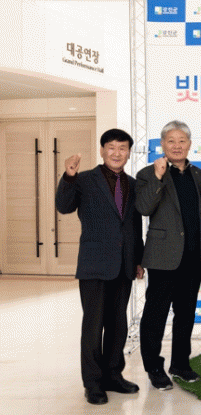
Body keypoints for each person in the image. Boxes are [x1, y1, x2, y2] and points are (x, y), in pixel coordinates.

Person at [55, 129, 144, 405]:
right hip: (94, 264)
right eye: (112, 147)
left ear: (129, 152)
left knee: (118, 325)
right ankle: (93, 383)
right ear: (102, 150)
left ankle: (113, 375)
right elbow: (63, 206)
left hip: (124, 264)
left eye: (122, 148)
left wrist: (138, 259)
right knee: (93, 326)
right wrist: (68, 176)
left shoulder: (133, 183)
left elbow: (134, 225)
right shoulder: (83, 179)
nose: (117, 153)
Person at [136, 121, 201, 390]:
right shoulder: (148, 173)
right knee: (155, 316)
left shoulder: (199, 175)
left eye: (182, 141)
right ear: (162, 144)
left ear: (189, 144)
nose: (177, 146)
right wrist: (158, 177)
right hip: (163, 258)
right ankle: (154, 367)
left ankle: (180, 364)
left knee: (186, 314)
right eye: (171, 141)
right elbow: (143, 208)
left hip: (193, 258)